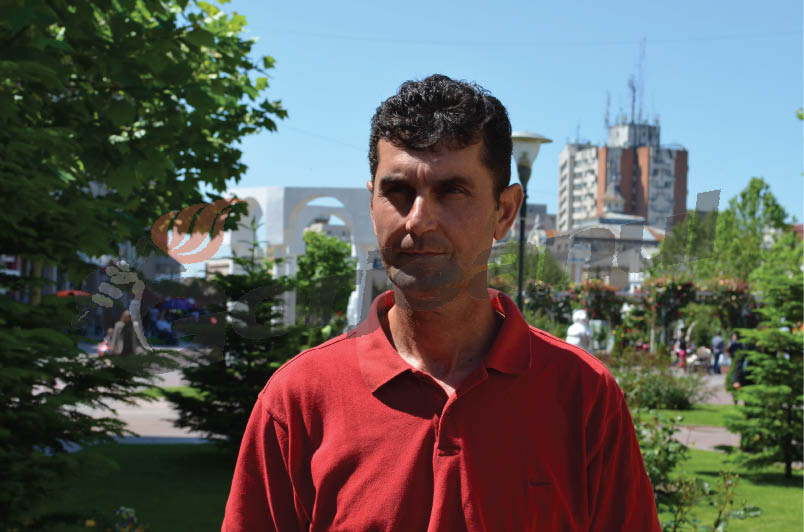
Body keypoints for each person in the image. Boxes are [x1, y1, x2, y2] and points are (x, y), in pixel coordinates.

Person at [222, 74, 660, 531]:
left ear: (505, 212)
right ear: (372, 204)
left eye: (452, 191)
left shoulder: (581, 394)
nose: (418, 220)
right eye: (397, 191)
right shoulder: (300, 399)